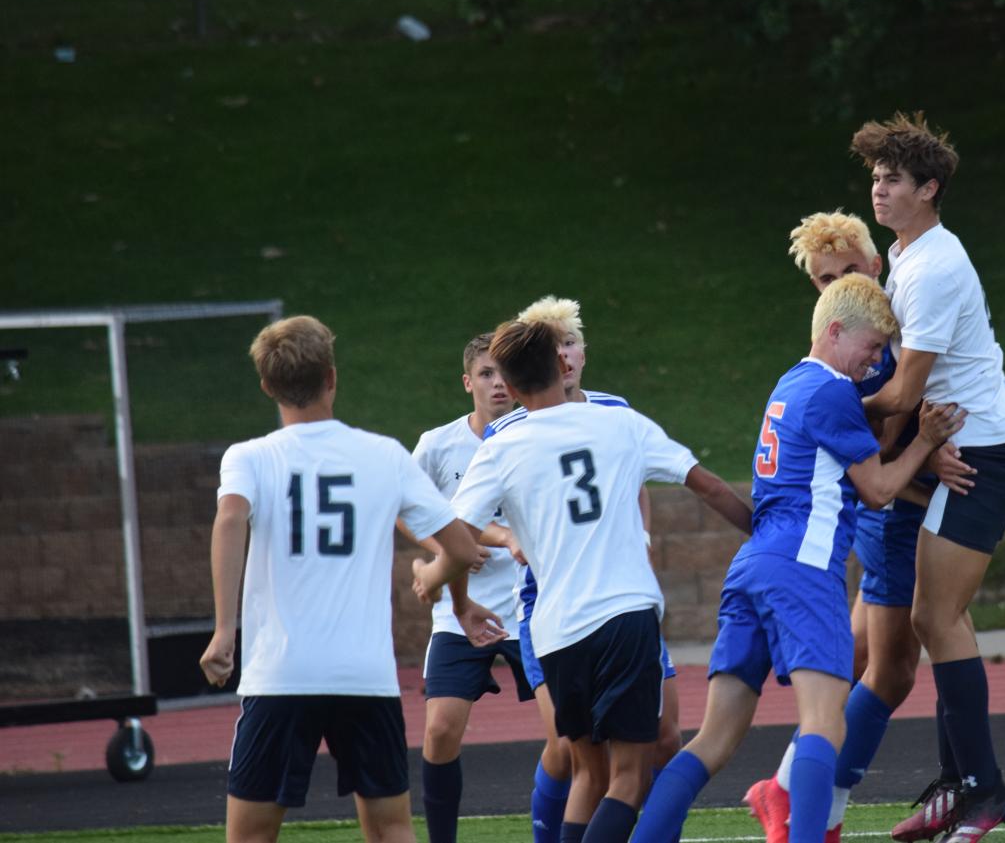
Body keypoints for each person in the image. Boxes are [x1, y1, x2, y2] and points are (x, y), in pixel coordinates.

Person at [632, 274, 965, 843]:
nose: (877, 361)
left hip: (753, 565)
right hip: (803, 567)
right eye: (872, 347)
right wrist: (925, 441)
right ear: (835, 332)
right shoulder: (833, 390)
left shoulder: (789, 382)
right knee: (824, 725)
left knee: (712, 740)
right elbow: (878, 489)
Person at [417, 318, 754, 843]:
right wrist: (763, 532)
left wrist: (442, 586)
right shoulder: (620, 423)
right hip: (623, 615)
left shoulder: (503, 445)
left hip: (554, 631)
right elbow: (707, 486)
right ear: (560, 365)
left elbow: (458, 541)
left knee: (588, 772)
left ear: (509, 379)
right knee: (627, 777)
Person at [198, 315, 497, 843]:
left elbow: (229, 520)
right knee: (390, 830)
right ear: (332, 377)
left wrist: (225, 630)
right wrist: (451, 590)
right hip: (364, 675)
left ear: (267, 385)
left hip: (281, 674)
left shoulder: (249, 457)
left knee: (249, 836)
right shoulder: (383, 454)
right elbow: (460, 546)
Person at [744, 211, 973, 843]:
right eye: (824, 278)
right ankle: (811, 802)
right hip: (883, 507)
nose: (839, 281)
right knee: (895, 669)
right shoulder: (847, 352)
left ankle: (791, 791)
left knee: (863, 658)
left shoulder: (900, 316)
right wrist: (924, 444)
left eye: (848, 268)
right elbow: (872, 446)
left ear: (876, 265)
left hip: (897, 497)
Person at [857, 112, 1005, 842]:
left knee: (933, 618)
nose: (879, 189)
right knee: (936, 618)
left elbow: (902, 395)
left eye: (892, 179)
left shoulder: (932, 266)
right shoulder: (906, 252)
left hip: (986, 453)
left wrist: (818, 405)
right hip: (964, 445)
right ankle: (960, 781)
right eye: (874, 177)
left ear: (928, 188)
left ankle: (986, 788)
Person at [482, 296, 688, 843]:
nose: (566, 355)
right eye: (556, 346)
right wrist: (509, 538)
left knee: (665, 736)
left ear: (582, 353)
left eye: (571, 341)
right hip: (550, 605)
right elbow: (464, 521)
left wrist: (640, 538)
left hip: (621, 597)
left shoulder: (615, 413)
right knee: (573, 752)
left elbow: (637, 482)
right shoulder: (508, 435)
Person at [404, 333, 530, 843]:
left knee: (571, 736)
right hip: (459, 610)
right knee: (439, 732)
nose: (497, 383)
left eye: (504, 373)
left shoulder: (535, 436)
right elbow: (405, 508)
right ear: (467, 383)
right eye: (485, 374)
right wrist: (447, 548)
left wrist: (492, 537)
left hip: (532, 606)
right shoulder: (438, 444)